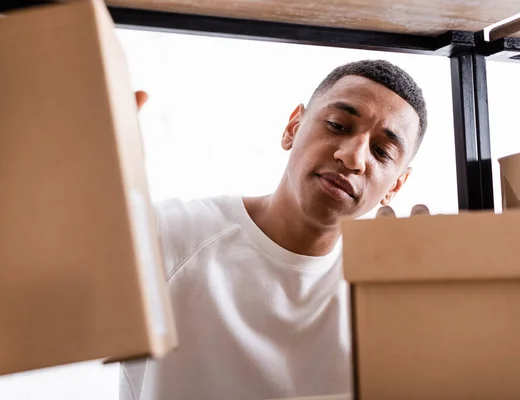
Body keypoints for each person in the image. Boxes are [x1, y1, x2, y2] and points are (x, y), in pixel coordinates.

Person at [122, 59, 430, 400]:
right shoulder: (172, 236)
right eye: (338, 125)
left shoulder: (387, 290)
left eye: (381, 151)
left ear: (396, 185)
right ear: (293, 128)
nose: (353, 157)